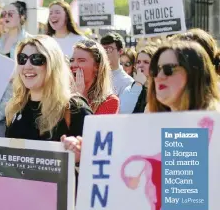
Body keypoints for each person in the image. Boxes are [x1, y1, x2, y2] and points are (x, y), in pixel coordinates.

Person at [62, 40, 220, 161]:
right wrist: (86, 151)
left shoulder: (206, 126)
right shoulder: (155, 121)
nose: (159, 76)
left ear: (195, 74)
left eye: (168, 69)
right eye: (156, 70)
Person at [0, 1, 31, 137]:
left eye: (10, 13)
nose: (6, 17)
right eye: (3, 14)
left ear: (22, 16)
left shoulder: (29, 41)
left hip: (20, 104)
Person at [70, 39, 119, 114]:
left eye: (81, 60)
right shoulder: (63, 95)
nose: (74, 65)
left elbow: (86, 125)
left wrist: (78, 98)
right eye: (72, 60)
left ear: (97, 67)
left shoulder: (109, 101)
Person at [119, 43, 159, 114]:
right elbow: (124, 112)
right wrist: (138, 84)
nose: (141, 65)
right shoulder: (130, 88)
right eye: (138, 62)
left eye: (146, 62)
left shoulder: (161, 88)